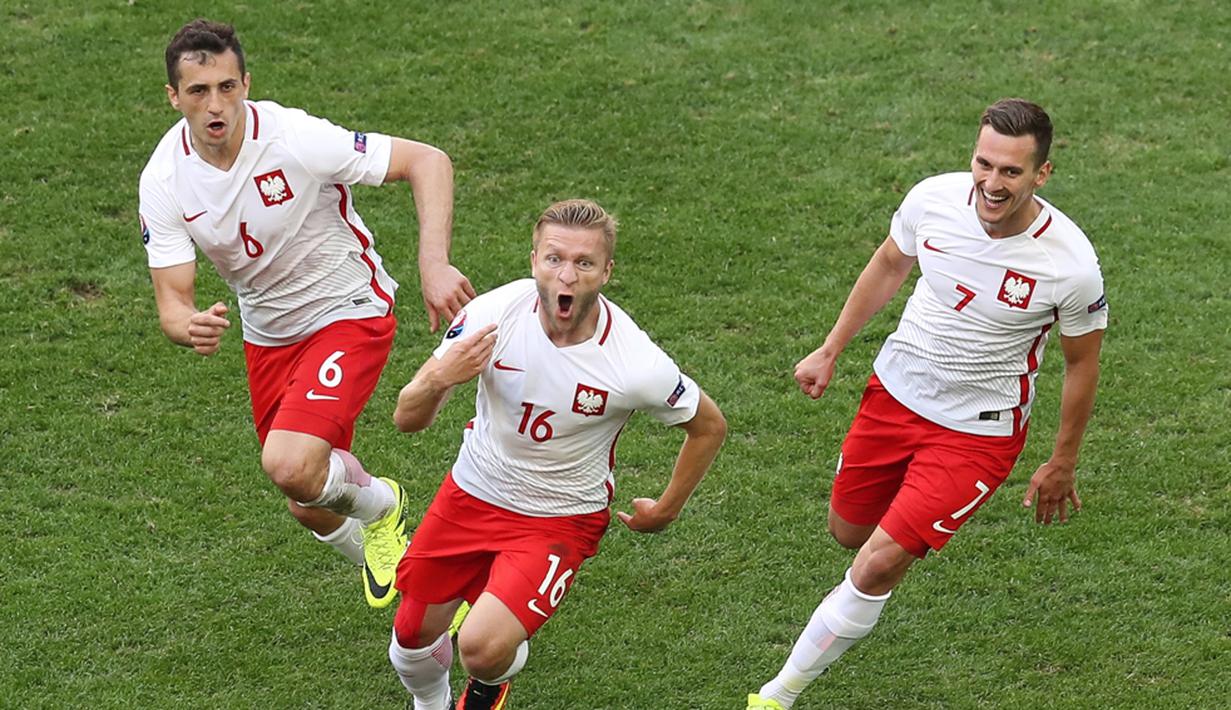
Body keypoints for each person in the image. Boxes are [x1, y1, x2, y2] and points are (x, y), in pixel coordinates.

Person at [747, 99, 1108, 709]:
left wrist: (1063, 460)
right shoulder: (932, 200)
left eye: (1011, 172)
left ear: (1041, 174)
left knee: (875, 565)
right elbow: (891, 264)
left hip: (977, 432)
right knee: (848, 532)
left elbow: (1082, 364)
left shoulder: (1069, 265)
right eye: (984, 164)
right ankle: (896, 542)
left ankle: (776, 695)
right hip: (894, 395)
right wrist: (830, 349)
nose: (992, 184)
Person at [138, 19, 475, 609]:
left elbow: (428, 161)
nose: (215, 105)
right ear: (174, 97)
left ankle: (385, 508)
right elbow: (172, 302)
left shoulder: (293, 137)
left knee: (291, 464)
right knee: (306, 499)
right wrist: (186, 326)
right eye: (198, 91)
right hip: (269, 334)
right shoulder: (164, 178)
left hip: (347, 308)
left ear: (246, 84)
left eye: (226, 87)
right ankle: (419, 593)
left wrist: (434, 264)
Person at [385, 199, 727, 709]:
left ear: (606, 272)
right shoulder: (491, 318)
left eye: (584, 263)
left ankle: (492, 678)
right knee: (411, 640)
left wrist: (667, 508)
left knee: (480, 647)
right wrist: (438, 379)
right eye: (554, 258)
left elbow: (709, 426)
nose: (566, 276)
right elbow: (406, 420)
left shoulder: (634, 363)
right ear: (534, 261)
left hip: (559, 517)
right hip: (471, 493)